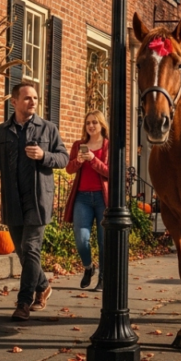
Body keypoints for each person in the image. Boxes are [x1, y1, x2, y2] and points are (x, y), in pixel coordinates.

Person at [0, 82, 68, 321]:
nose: (33, 102)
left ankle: (23, 302)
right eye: (27, 98)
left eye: (36, 98)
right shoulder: (0, 132)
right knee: (22, 252)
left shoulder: (48, 129)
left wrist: (44, 156)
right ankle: (44, 285)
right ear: (14, 102)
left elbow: (64, 158)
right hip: (12, 200)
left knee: (31, 248)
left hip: (38, 200)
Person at [64, 110, 110, 290]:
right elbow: (69, 169)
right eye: (88, 123)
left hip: (102, 198)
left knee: (103, 240)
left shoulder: (108, 145)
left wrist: (93, 160)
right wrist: (79, 161)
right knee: (82, 238)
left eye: (95, 122)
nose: (91, 126)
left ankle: (104, 278)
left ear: (101, 125)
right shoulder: (79, 145)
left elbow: (110, 172)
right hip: (82, 198)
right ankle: (89, 267)